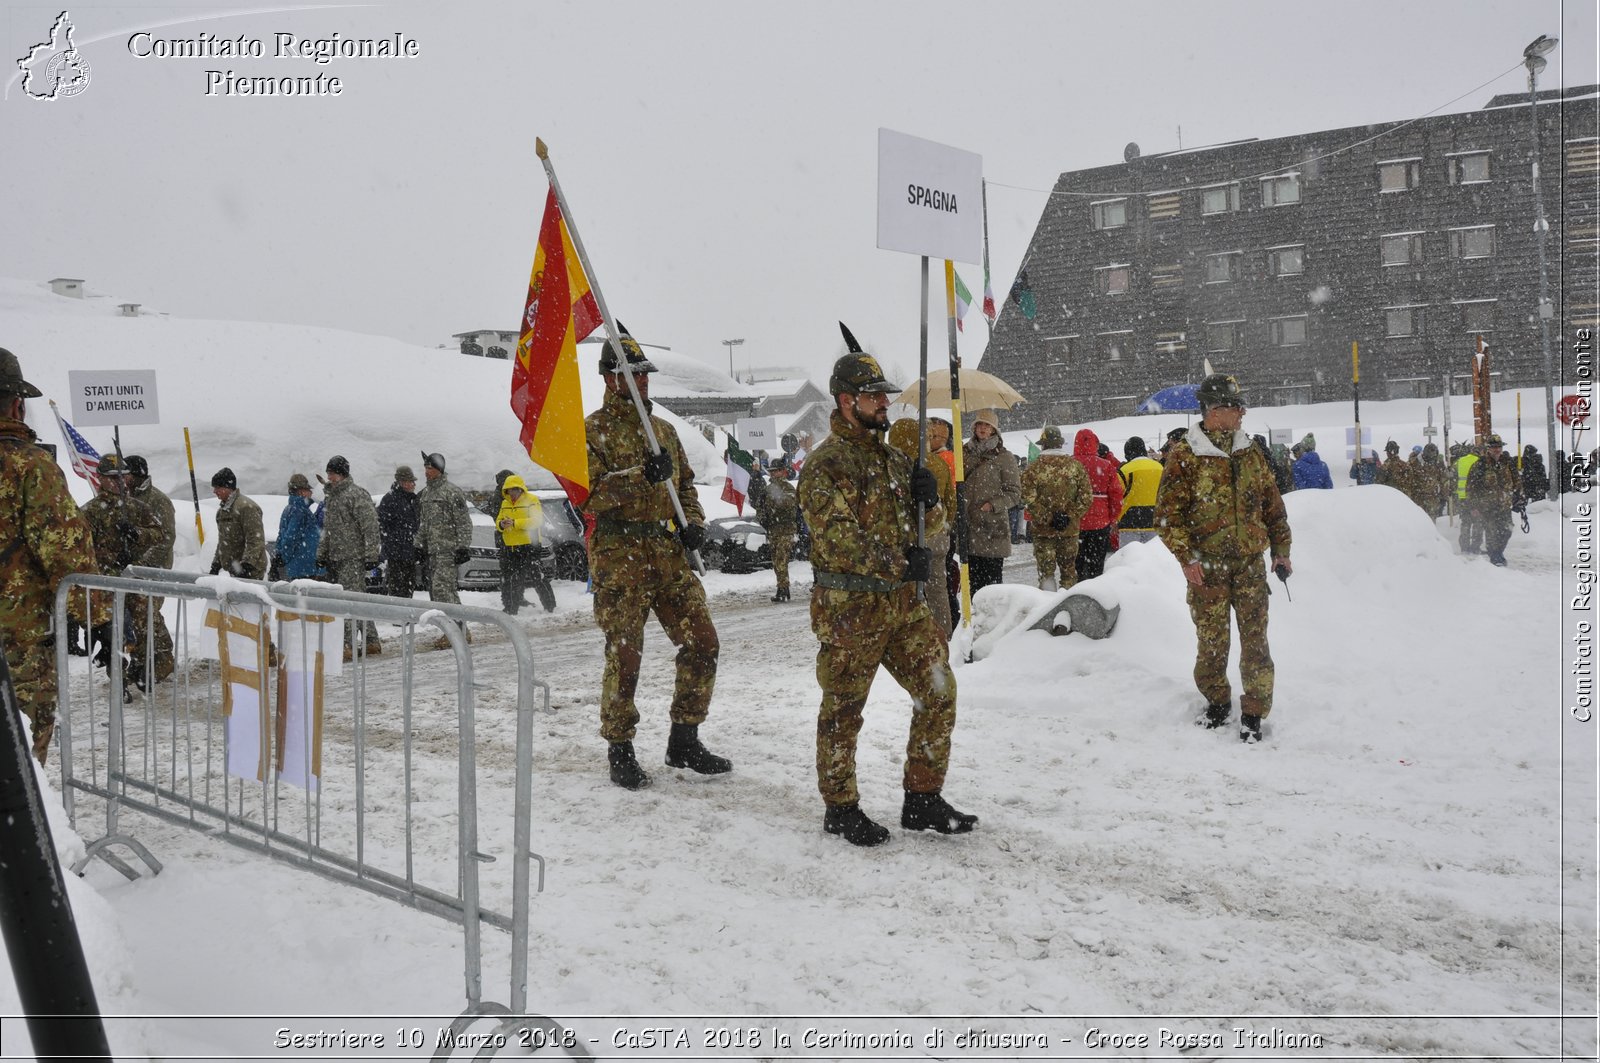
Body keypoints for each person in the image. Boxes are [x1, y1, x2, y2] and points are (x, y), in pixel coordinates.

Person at [798, 348, 973, 846]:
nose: (884, 404)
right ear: (848, 400)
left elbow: (931, 529)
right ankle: (841, 806)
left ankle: (922, 799)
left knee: (938, 690)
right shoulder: (824, 466)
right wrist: (901, 562)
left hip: (901, 605)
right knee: (844, 709)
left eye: (884, 395)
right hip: (850, 609)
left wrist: (930, 500)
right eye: (875, 396)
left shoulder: (898, 461)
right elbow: (836, 541)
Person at [582, 336, 727, 790]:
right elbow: (588, 495)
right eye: (633, 373)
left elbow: (684, 487)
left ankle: (684, 739)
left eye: (645, 373)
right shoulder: (590, 431)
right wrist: (639, 477)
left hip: (667, 556)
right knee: (625, 656)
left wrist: (694, 523)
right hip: (620, 559)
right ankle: (620, 747)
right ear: (610, 378)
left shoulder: (662, 430)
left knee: (703, 642)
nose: (643, 381)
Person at [1155, 373, 1292, 744]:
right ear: (1215, 410)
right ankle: (1216, 701)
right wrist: (1187, 558)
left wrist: (1281, 552)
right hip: (1207, 568)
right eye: (1236, 406)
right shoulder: (1186, 455)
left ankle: (1253, 712)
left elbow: (1273, 508)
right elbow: (1168, 517)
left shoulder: (1250, 452)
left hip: (1250, 566)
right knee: (1212, 641)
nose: (1242, 412)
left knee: (1255, 641)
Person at [0, 348, 103, 762]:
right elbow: (65, 553)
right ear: (17, 405)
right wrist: (97, 616)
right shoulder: (30, 466)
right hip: (18, 641)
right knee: (20, 764)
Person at [82, 454, 165, 694]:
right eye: (112, 478)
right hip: (107, 582)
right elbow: (82, 548)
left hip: (133, 580)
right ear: (100, 479)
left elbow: (159, 533)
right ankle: (118, 679)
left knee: (139, 630)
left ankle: (140, 672)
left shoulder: (137, 508)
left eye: (122, 477)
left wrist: (137, 534)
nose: (119, 482)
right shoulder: (91, 511)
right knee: (115, 633)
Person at [885, 420, 954, 636]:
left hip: (909, 539)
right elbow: (950, 504)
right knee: (938, 590)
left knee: (909, 594)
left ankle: (914, 637)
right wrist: (943, 522)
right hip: (939, 537)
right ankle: (944, 634)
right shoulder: (937, 464)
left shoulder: (892, 467)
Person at [316, 455, 383, 655]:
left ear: (343, 474)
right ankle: (371, 640)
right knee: (357, 599)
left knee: (348, 600)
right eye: (328, 473)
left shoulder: (356, 495)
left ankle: (347, 644)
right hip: (336, 557)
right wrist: (322, 553)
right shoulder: (332, 498)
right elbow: (328, 529)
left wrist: (372, 555)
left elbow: (370, 527)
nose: (330, 477)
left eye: (333, 473)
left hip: (353, 557)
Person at [123, 454, 176, 686]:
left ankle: (163, 658)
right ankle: (142, 660)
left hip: (153, 569)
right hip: (132, 570)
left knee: (150, 615)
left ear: (136, 475)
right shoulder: (126, 498)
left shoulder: (158, 500)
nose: (123, 479)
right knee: (136, 618)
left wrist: (143, 564)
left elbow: (166, 538)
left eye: (126, 475)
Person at [1020, 425, 1091, 591]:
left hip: (1043, 532)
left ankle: (1047, 608)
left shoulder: (1033, 468)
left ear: (1043, 444)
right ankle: (1069, 609)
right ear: (1060, 444)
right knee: (1069, 573)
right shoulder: (1076, 467)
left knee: (1046, 575)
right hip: (1069, 531)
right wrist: (1068, 516)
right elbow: (1086, 497)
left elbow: (1028, 499)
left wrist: (1048, 518)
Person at [962, 408, 1021, 596]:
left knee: (992, 587)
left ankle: (993, 623)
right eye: (979, 424)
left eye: (987, 425)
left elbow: (1014, 493)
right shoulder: (963, 453)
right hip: (969, 526)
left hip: (992, 528)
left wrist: (993, 505)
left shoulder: (1004, 457)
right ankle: (973, 622)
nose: (982, 428)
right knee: (971, 584)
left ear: (994, 430)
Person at [414, 451, 474, 615]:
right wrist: (418, 545)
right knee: (437, 592)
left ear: (439, 469)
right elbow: (424, 523)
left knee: (444, 590)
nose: (427, 471)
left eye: (430, 468)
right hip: (432, 552)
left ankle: (458, 628)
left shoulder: (452, 492)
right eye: (425, 468)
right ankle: (451, 629)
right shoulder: (426, 493)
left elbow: (463, 522)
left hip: (448, 551)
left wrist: (463, 547)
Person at [496, 473, 555, 614]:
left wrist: (515, 523)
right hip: (510, 546)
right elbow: (498, 522)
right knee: (511, 579)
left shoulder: (532, 500)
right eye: (509, 490)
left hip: (529, 545)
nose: (512, 493)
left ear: (521, 489)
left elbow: (537, 521)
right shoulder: (505, 503)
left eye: (515, 490)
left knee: (537, 576)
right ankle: (510, 608)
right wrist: (502, 524)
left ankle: (550, 605)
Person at [1072, 427, 1124, 582]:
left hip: (1076, 522)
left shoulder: (1070, 464)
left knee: (1077, 564)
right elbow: (1116, 494)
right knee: (1097, 563)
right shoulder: (1106, 465)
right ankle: (1095, 590)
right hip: (1100, 521)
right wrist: (1113, 517)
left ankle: (1078, 589)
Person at [1466, 434, 1523, 567]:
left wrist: (1519, 498)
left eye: (1499, 447)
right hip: (1487, 507)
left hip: (1504, 505)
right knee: (1492, 533)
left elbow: (1517, 482)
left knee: (1507, 531)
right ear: (1488, 449)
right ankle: (1495, 557)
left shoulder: (1508, 463)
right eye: (1494, 447)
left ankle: (1498, 552)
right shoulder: (1480, 465)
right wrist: (1473, 506)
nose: (1497, 450)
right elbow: (1471, 487)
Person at [209, 466, 269, 579]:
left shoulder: (246, 508)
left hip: (250, 571)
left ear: (227, 487)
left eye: (217, 487)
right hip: (232, 571)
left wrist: (246, 566)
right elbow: (223, 541)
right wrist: (216, 564)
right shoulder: (221, 512)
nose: (214, 491)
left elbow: (255, 539)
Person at [755, 457, 801, 603]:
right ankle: (782, 588)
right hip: (773, 530)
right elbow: (760, 506)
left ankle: (783, 589)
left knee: (781, 560)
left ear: (783, 472)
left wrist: (775, 499)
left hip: (785, 530)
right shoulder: (767, 489)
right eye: (771, 472)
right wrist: (763, 519)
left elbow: (788, 505)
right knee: (776, 561)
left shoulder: (788, 488)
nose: (773, 474)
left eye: (776, 472)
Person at [377, 465, 421, 599]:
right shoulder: (390, 500)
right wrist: (394, 545)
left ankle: (406, 618)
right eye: (411, 481)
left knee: (408, 589)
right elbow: (382, 527)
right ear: (402, 482)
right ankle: (399, 619)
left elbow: (417, 526)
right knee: (397, 590)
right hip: (396, 556)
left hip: (410, 554)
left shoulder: (413, 500)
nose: (414, 484)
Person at [1118, 436, 1164, 545]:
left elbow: (1117, 495)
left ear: (1127, 453)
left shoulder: (1124, 470)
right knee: (1155, 558)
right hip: (1156, 520)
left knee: (1130, 559)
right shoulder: (1160, 468)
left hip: (1129, 522)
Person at [276, 473, 322, 580]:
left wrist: (280, 554)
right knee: (307, 595)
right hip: (305, 567)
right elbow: (290, 538)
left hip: (299, 566)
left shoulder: (289, 508)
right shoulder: (300, 511)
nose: (311, 493)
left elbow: (281, 535)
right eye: (308, 490)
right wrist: (285, 557)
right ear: (301, 492)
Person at [1455, 445, 1482, 554]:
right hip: (1476, 496)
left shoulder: (1460, 460)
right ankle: (1475, 547)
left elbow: (1453, 476)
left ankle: (1464, 547)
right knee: (1478, 523)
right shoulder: (1479, 462)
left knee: (1465, 523)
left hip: (1462, 496)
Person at [1417, 443, 1453, 519]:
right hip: (1420, 498)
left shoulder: (1438, 464)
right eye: (1431, 452)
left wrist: (1445, 495)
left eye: (1434, 453)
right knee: (1420, 518)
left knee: (1431, 518)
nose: (1432, 455)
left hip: (1432, 498)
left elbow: (1444, 480)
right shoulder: (1417, 463)